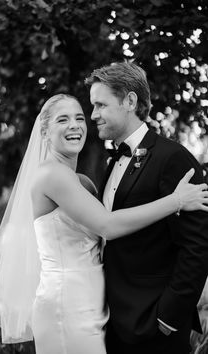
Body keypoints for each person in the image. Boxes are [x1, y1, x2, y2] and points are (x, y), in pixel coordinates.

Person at [0, 94, 208, 354]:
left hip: (93, 305)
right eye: (62, 119)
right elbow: (108, 226)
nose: (74, 125)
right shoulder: (51, 175)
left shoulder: (83, 182)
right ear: (44, 132)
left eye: (79, 117)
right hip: (66, 305)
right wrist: (175, 201)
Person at [85, 61, 208, 354]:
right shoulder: (112, 160)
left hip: (154, 323)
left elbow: (198, 245)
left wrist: (169, 315)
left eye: (101, 105)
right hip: (112, 320)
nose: (93, 115)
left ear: (130, 101)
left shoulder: (173, 158)